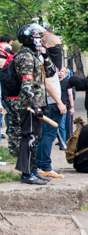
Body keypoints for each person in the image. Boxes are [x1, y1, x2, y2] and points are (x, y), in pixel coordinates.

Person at [14, 24, 50, 185]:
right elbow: (27, 85)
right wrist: (35, 106)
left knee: (36, 137)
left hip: (37, 103)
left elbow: (51, 72)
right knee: (29, 137)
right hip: (29, 105)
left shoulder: (34, 55)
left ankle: (33, 170)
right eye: (36, 36)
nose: (39, 39)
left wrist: (46, 56)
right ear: (28, 37)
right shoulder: (25, 57)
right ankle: (27, 173)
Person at [36, 32, 66, 180]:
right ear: (47, 45)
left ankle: (40, 165)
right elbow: (48, 84)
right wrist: (59, 102)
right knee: (49, 135)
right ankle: (45, 166)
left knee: (44, 135)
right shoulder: (45, 60)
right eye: (57, 46)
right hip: (51, 102)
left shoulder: (47, 59)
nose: (59, 49)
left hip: (48, 101)